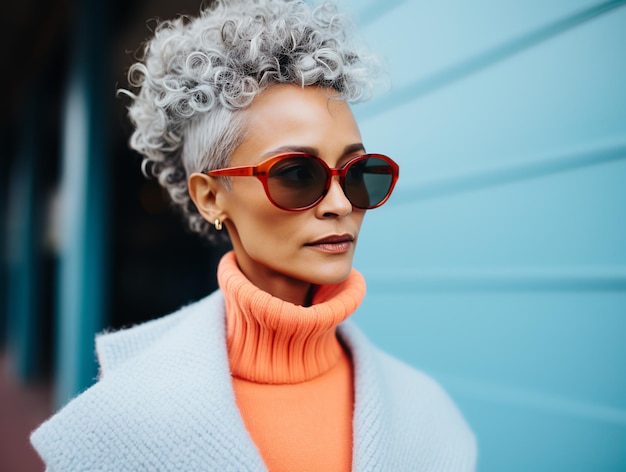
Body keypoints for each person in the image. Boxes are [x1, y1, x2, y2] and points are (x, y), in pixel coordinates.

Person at [31, 0, 477, 470]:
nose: (342, 203)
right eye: (297, 174)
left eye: (358, 171)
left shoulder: (427, 413)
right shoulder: (119, 422)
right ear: (210, 197)